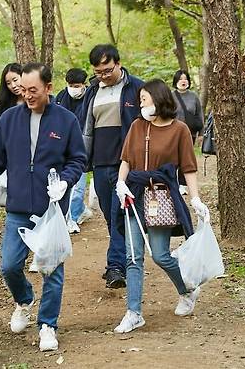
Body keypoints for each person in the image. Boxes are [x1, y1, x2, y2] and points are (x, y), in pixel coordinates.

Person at [0, 62, 86, 351]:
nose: (28, 95)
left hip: (51, 208)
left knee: (51, 269)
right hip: (18, 206)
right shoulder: (9, 119)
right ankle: (24, 300)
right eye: (24, 90)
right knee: (9, 265)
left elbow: (78, 160)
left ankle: (47, 325)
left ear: (48, 88)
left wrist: (65, 182)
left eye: (34, 90)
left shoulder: (66, 120)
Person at [113, 79, 211, 333]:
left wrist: (195, 198)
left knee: (160, 255)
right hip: (134, 195)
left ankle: (187, 289)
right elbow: (126, 159)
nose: (141, 104)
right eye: (140, 100)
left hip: (160, 197)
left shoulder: (179, 130)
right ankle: (134, 312)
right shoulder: (137, 126)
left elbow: (188, 168)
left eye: (144, 99)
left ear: (159, 98)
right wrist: (120, 184)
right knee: (133, 257)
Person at [79, 44, 143, 289]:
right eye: (98, 72)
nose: (103, 76)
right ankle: (127, 258)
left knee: (120, 212)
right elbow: (85, 126)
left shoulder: (135, 87)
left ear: (118, 63)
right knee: (110, 215)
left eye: (107, 70)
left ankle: (115, 267)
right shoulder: (92, 91)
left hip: (126, 163)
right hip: (100, 162)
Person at [54, 68, 93, 234]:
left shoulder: (90, 98)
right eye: (71, 85)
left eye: (77, 85)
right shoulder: (60, 98)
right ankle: (76, 214)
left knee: (78, 189)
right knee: (67, 187)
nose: (74, 89)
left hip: (81, 149)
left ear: (84, 85)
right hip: (62, 149)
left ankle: (73, 218)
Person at [0, 63, 24, 215]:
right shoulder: (6, 108)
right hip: (12, 160)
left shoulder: (38, 102)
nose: (13, 86)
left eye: (15, 80)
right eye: (8, 83)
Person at [171, 70, 204, 142]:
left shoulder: (194, 96)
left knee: (188, 153)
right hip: (173, 133)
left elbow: (199, 114)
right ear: (176, 81)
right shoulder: (170, 96)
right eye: (180, 79)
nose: (183, 81)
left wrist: (201, 134)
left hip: (190, 134)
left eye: (185, 79)